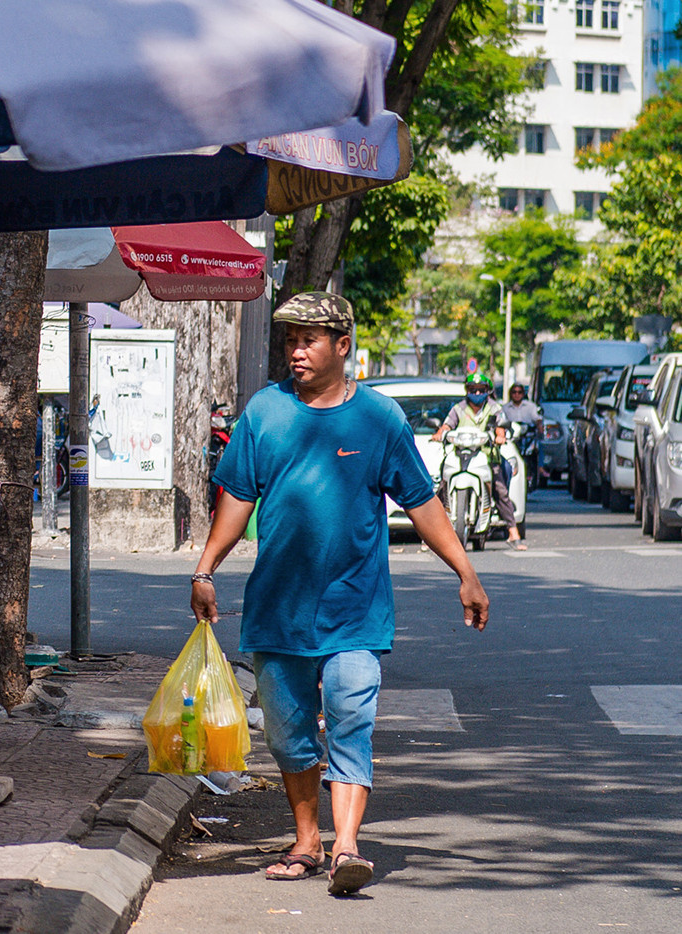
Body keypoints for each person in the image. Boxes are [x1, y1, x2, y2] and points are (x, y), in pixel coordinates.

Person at [189, 292, 488, 897]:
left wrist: (466, 571)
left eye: (308, 340)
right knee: (287, 731)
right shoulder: (265, 412)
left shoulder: (378, 419)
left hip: (355, 608)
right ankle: (306, 840)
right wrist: (205, 567)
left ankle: (346, 845)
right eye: (290, 340)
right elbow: (237, 498)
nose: (295, 351)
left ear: (342, 346)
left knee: (351, 717)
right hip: (278, 608)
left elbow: (421, 501)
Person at [431, 373, 525, 550]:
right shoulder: (459, 408)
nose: (476, 393)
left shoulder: (495, 408)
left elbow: (501, 426)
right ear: (467, 390)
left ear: (487, 391)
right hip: (460, 455)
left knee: (500, 490)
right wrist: (440, 433)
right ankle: (430, 532)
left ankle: (513, 533)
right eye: (472, 389)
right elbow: (447, 425)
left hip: (487, 457)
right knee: (440, 486)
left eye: (480, 390)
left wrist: (500, 435)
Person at [501, 382, 545, 487]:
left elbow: (537, 419)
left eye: (519, 392)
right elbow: (502, 421)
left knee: (539, 446)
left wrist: (540, 428)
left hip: (528, 437)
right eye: (514, 392)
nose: (517, 395)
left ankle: (541, 468)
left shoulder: (531, 406)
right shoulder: (505, 408)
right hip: (512, 438)